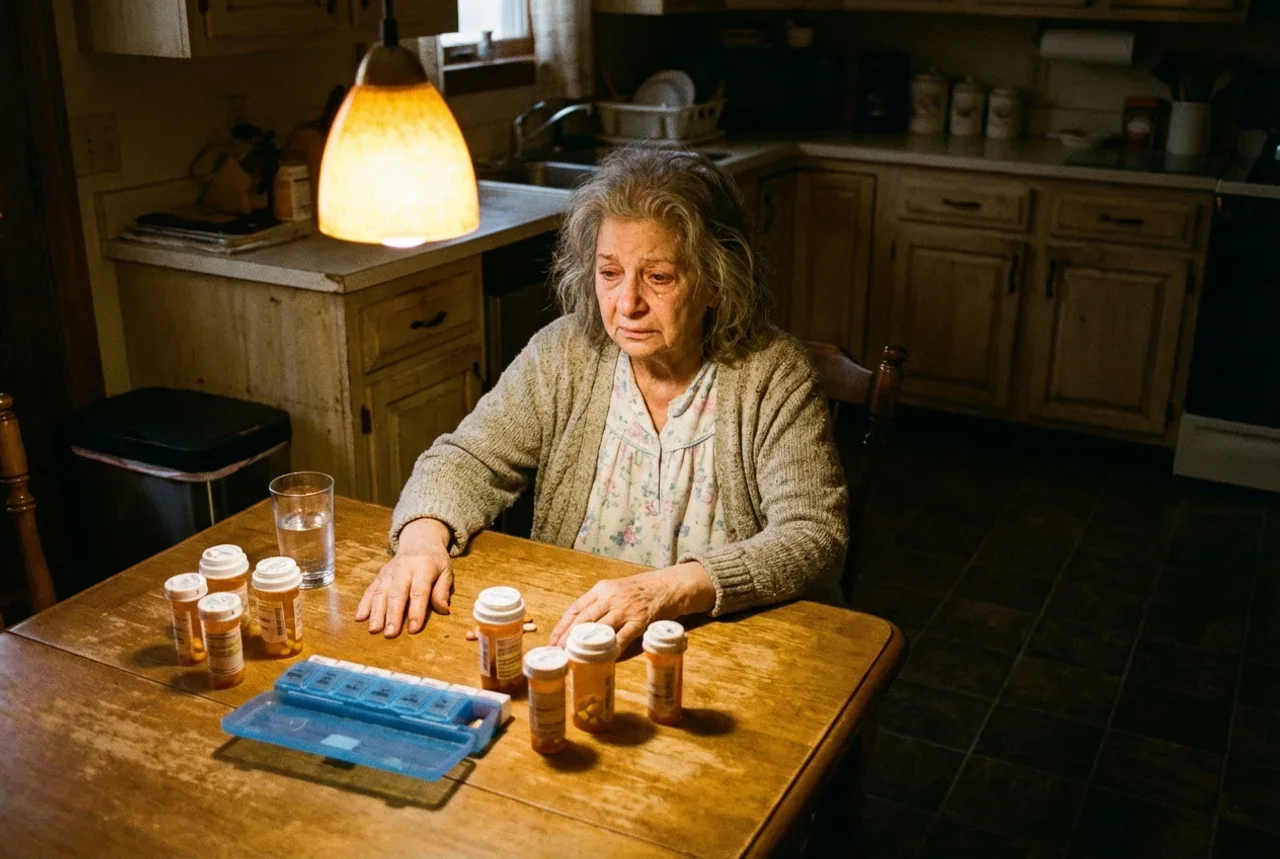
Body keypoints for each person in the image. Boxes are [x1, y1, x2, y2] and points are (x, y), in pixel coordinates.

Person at [356, 147, 847, 651]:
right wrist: (420, 544)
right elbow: (466, 459)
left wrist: (669, 590)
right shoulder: (565, 353)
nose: (627, 304)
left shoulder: (772, 374)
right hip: (580, 635)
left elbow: (812, 534)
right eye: (609, 273)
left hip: (732, 644)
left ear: (715, 284)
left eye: (658, 277)